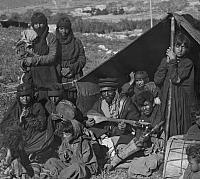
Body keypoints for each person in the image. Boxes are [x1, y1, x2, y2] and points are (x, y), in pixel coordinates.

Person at [105, 90, 164, 177]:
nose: (144, 109)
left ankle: (114, 164)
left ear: (153, 104)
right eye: (142, 107)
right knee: (121, 155)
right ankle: (113, 164)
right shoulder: (144, 117)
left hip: (158, 153)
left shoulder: (160, 115)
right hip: (145, 150)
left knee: (133, 168)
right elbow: (138, 139)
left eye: (146, 105)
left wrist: (150, 139)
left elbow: (164, 142)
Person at [154, 32, 195, 137]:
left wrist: (172, 62)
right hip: (167, 98)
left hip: (181, 100)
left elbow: (175, 79)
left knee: (179, 125)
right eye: (177, 46)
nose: (180, 50)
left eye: (183, 47)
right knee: (166, 124)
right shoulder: (166, 60)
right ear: (173, 47)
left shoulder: (187, 63)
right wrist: (166, 63)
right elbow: (157, 80)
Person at [85, 78, 140, 156]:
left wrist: (126, 127)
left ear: (116, 91)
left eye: (109, 91)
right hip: (105, 135)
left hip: (122, 135)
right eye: (104, 92)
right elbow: (91, 116)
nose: (106, 94)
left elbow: (135, 120)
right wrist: (88, 123)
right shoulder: (99, 104)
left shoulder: (125, 103)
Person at [44, 112, 98, 179]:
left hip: (85, 168)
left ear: (75, 132)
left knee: (77, 167)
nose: (64, 136)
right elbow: (61, 153)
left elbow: (84, 161)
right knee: (51, 161)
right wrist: (64, 156)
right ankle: (60, 174)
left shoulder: (84, 143)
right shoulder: (65, 141)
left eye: (67, 134)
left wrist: (71, 156)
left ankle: (60, 176)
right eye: (63, 134)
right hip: (70, 165)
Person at [22, 12, 59, 88]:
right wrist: (24, 62)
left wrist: (34, 60)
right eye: (36, 24)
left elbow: (52, 57)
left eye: (41, 23)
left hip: (48, 73)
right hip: (32, 73)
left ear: (45, 24)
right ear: (32, 25)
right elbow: (22, 57)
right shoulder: (28, 38)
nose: (38, 26)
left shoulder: (50, 37)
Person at [56, 16, 86, 104]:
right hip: (59, 77)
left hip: (75, 76)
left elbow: (82, 59)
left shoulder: (77, 42)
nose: (64, 32)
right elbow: (52, 59)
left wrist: (71, 68)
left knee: (76, 102)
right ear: (58, 29)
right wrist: (60, 70)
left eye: (66, 29)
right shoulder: (54, 43)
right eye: (61, 28)